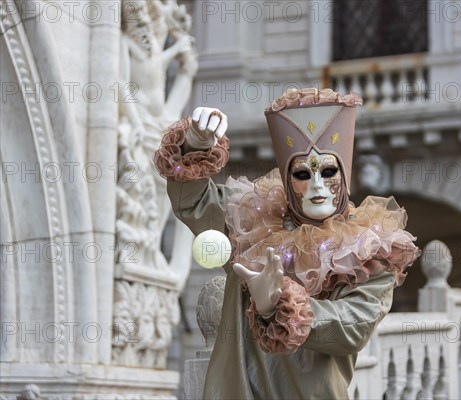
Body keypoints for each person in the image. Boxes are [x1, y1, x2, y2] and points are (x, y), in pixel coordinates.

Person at [154, 88, 421, 399]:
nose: (317, 185)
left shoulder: (368, 248)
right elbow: (194, 203)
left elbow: (354, 325)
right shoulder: (252, 220)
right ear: (287, 176)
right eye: (302, 173)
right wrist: (195, 145)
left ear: (344, 174)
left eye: (329, 171)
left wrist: (281, 305)